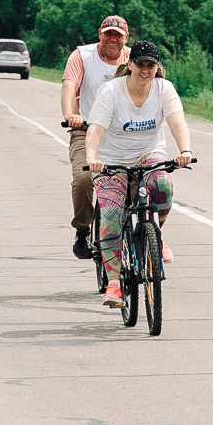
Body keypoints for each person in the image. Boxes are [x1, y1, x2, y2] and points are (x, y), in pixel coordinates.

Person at [84, 41, 195, 309]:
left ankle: (155, 232)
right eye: (140, 64)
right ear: (130, 64)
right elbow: (96, 129)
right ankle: (113, 284)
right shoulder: (111, 91)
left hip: (149, 152)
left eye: (151, 66)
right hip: (112, 159)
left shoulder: (163, 89)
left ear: (157, 68)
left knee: (163, 186)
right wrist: (92, 159)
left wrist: (185, 149)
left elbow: (177, 121)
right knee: (110, 214)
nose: (145, 70)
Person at [60, 15, 131, 257]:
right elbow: (69, 86)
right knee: (83, 180)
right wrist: (71, 114)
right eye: (108, 34)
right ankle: (82, 228)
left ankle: (134, 226)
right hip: (86, 130)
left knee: (137, 180)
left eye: (118, 36)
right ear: (100, 34)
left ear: (125, 38)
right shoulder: (82, 56)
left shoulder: (133, 59)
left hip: (121, 135)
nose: (112, 39)